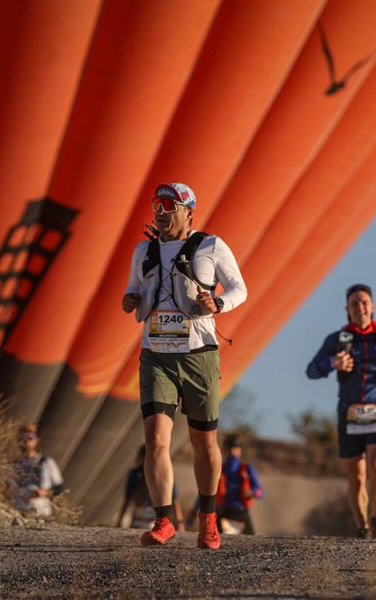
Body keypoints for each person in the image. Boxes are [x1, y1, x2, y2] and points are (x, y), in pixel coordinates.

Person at [122, 182, 248, 549]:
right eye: (156, 205)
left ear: (188, 211)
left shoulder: (210, 246)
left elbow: (239, 287)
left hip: (198, 354)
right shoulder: (143, 250)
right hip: (156, 353)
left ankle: (208, 520)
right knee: (155, 440)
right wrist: (130, 300)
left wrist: (219, 303)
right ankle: (164, 520)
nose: (160, 212)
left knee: (203, 441)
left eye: (168, 205)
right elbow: (133, 290)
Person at [306, 284, 376, 539]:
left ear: (372, 307)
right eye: (354, 303)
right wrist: (333, 362)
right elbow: (311, 370)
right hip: (350, 411)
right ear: (347, 309)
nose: (360, 307)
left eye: (364, 302)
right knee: (358, 476)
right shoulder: (338, 339)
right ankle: (362, 527)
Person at [116, 446, 185, 531]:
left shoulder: (165, 475)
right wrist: (119, 521)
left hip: (157, 519)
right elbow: (127, 498)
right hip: (139, 520)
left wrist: (179, 522)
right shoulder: (135, 475)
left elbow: (174, 499)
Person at [11, 424, 64, 517]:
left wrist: (44, 492)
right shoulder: (13, 465)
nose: (26, 441)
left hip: (41, 509)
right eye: (22, 438)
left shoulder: (47, 463)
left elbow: (58, 488)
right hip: (18, 508)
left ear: (37, 440)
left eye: (29, 437)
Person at [215, 434, 264, 534]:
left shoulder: (247, 469)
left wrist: (253, 492)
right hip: (222, 512)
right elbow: (206, 492)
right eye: (230, 448)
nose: (233, 452)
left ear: (240, 450)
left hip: (241, 512)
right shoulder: (220, 469)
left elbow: (260, 492)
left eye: (236, 448)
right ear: (225, 450)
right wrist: (194, 512)